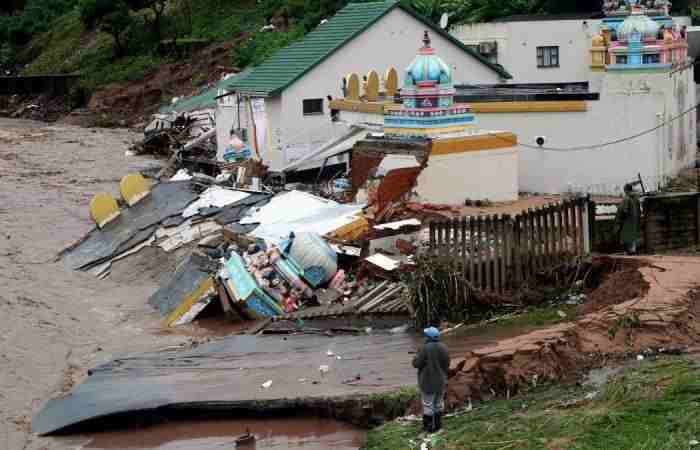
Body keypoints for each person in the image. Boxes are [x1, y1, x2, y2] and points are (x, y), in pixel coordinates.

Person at [412, 327, 450, 433]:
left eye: (425, 335)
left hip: (427, 382)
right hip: (441, 381)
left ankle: (428, 429)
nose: (424, 337)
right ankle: (438, 427)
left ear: (428, 337)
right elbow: (447, 364)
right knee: (438, 404)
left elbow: (416, 364)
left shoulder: (424, 348)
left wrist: (416, 357)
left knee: (428, 405)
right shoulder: (444, 347)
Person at [616, 183, 642, 255]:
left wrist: (619, 222)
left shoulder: (626, 198)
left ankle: (629, 255)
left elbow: (623, 211)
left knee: (626, 241)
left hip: (627, 223)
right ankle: (633, 253)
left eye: (624, 190)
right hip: (635, 223)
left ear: (626, 190)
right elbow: (639, 212)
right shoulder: (636, 199)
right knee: (633, 242)